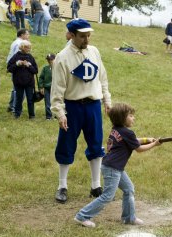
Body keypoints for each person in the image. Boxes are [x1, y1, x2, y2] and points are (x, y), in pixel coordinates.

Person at [51, 18, 112, 203]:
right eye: (83, 36)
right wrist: (60, 112)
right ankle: (62, 186)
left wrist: (107, 100)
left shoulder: (94, 52)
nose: (87, 39)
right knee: (66, 144)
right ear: (72, 35)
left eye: (88, 35)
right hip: (73, 107)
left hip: (93, 105)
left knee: (95, 144)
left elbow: (102, 77)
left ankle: (95, 186)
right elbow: (57, 89)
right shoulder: (63, 57)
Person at [74, 103, 161, 227]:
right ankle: (82, 216)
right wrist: (155, 144)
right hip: (112, 168)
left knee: (129, 189)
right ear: (122, 118)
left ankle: (129, 218)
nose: (133, 118)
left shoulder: (116, 129)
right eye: (130, 116)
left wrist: (148, 139)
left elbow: (134, 140)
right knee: (108, 196)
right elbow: (139, 149)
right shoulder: (127, 133)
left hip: (113, 166)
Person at [7, 40, 38, 119]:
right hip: (18, 82)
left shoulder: (30, 57)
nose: (29, 49)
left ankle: (32, 115)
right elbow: (9, 68)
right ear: (23, 47)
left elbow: (35, 71)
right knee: (19, 98)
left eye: (29, 47)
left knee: (30, 99)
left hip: (29, 83)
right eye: (27, 47)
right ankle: (17, 114)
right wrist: (18, 64)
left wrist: (29, 65)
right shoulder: (16, 56)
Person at [6, 29, 30, 113]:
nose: (28, 36)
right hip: (18, 69)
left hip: (14, 67)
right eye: (27, 34)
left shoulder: (15, 42)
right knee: (20, 89)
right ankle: (15, 107)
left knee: (15, 89)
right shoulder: (20, 44)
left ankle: (11, 105)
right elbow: (18, 57)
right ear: (22, 35)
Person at [38, 53, 55, 119]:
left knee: (56, 102)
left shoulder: (58, 68)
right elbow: (41, 78)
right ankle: (49, 116)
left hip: (55, 88)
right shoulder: (45, 68)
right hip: (47, 88)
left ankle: (57, 115)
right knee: (48, 103)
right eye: (48, 59)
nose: (49, 61)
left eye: (51, 59)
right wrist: (41, 87)